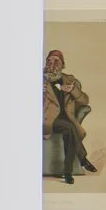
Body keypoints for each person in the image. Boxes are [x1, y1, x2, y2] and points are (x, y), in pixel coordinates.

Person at [43, 49, 98, 187]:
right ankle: (82, 160)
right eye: (49, 61)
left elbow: (84, 101)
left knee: (69, 129)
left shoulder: (70, 80)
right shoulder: (38, 80)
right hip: (47, 120)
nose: (52, 64)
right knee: (69, 127)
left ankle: (68, 172)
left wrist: (72, 91)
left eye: (56, 61)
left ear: (62, 64)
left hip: (66, 119)